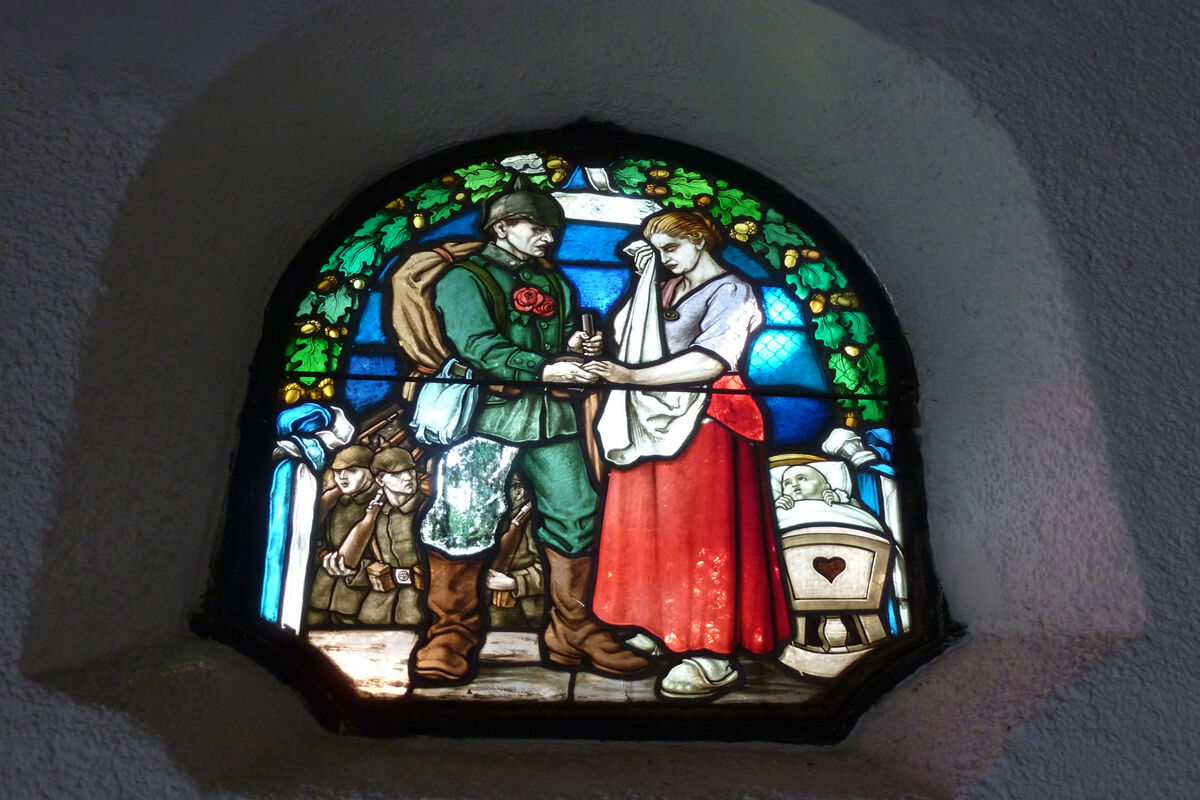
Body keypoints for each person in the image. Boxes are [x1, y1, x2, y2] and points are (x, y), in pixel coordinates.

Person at [410, 177, 649, 682]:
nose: (549, 237)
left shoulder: (554, 282)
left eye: (553, 229)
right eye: (537, 227)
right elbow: (479, 346)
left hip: (551, 419)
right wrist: (545, 367)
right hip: (485, 418)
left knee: (577, 515)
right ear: (501, 228)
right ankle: (450, 634)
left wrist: (576, 349)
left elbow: (553, 343)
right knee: (462, 519)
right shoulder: (465, 279)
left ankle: (572, 630)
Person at [585, 210, 790, 700]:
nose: (664, 259)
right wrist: (642, 283)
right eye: (657, 251)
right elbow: (630, 336)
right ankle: (658, 623)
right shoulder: (665, 288)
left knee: (701, 534)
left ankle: (711, 653)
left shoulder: (733, 291)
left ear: (699, 241)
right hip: (650, 419)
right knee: (649, 527)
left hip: (709, 422)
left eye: (671, 248)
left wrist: (631, 377)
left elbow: (711, 360)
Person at [333, 447, 428, 626]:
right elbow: (365, 560)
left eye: (411, 470)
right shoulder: (374, 515)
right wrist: (353, 570)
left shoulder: (429, 509)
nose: (408, 478)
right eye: (396, 474)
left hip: (420, 604)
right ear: (379, 479)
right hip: (378, 605)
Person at [308, 444, 377, 626]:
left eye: (352, 471)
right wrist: (323, 556)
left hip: (357, 603)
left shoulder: (384, 507)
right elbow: (314, 540)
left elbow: (394, 559)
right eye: (338, 472)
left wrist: (358, 570)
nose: (342, 477)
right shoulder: (335, 502)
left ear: (372, 472)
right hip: (319, 596)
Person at [485, 474, 544, 629]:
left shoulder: (536, 521)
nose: (519, 493)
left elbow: (558, 572)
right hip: (488, 614)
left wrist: (515, 582)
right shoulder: (488, 519)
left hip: (529, 617)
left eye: (519, 487)